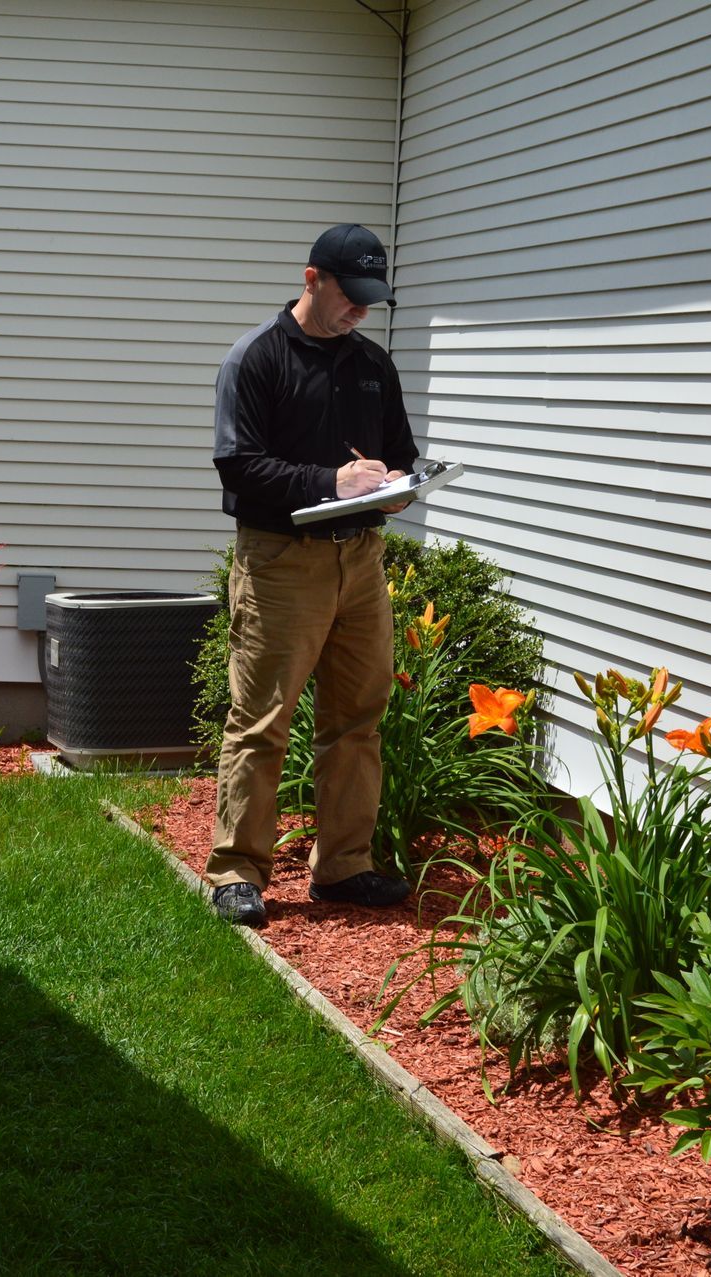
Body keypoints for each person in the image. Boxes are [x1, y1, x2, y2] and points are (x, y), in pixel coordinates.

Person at [206, 224, 420, 929]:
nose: (361, 310)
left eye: (370, 299)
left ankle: (343, 866)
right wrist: (332, 479)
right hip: (281, 563)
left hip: (359, 561)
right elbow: (240, 467)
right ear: (311, 279)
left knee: (358, 717)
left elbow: (400, 455)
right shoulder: (257, 359)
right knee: (262, 718)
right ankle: (237, 872)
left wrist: (397, 482)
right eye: (350, 296)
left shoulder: (372, 366)